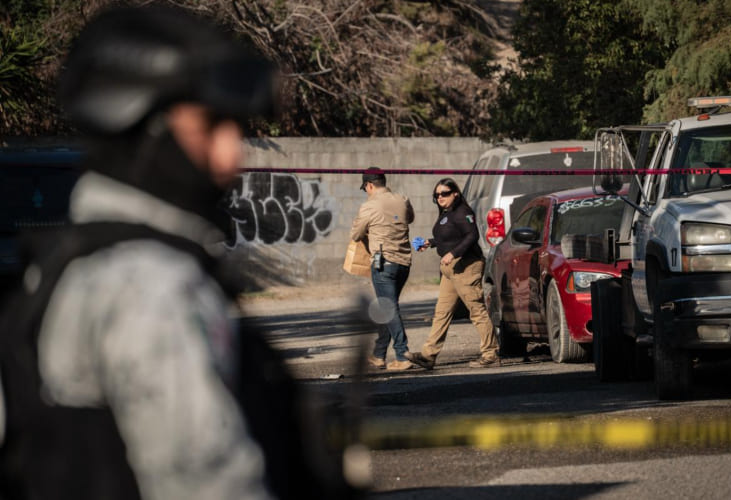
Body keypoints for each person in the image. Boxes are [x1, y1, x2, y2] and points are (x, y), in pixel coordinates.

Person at [0, 6, 335, 500]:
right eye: (210, 126)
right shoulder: (153, 287)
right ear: (143, 124)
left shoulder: (61, 267)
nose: (232, 156)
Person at [406, 178, 500, 369]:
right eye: (437, 195)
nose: (440, 197)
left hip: (466, 265)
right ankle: (428, 355)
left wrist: (453, 253)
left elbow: (472, 235)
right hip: (450, 270)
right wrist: (430, 243)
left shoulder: (463, 212)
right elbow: (449, 237)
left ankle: (490, 354)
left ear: (455, 193)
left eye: (445, 193)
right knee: (442, 312)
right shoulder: (446, 213)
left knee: (477, 311)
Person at [350, 167, 416, 371]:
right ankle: (379, 354)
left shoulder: (368, 206)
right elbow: (410, 218)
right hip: (404, 262)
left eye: (365, 189)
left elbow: (356, 235)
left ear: (369, 185)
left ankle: (402, 355)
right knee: (387, 307)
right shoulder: (403, 199)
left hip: (383, 262)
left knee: (388, 308)